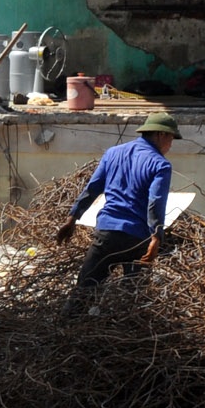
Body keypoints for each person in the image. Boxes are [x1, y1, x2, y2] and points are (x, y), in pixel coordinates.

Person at [55, 112, 180, 298]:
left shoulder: (112, 153)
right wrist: (157, 236)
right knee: (134, 297)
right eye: (171, 138)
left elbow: (92, 188)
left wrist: (72, 218)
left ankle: (70, 315)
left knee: (83, 292)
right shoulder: (161, 164)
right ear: (161, 134)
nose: (171, 144)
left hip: (106, 233)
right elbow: (155, 202)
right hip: (137, 239)